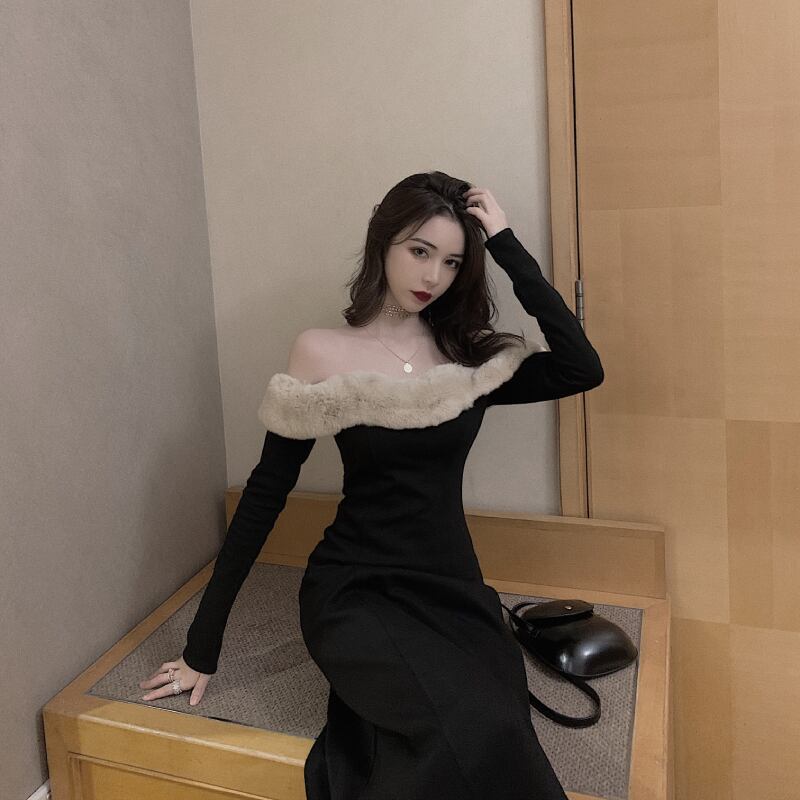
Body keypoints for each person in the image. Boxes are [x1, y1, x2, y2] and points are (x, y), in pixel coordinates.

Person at [139, 170, 603, 799]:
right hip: (353, 588)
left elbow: (582, 367)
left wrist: (505, 242)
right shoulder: (322, 352)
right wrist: (203, 646)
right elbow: (264, 496)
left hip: (450, 585)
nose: (432, 275)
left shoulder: (469, 358)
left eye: (451, 261)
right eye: (419, 250)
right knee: (452, 724)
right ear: (383, 242)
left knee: (498, 721)